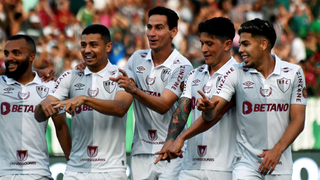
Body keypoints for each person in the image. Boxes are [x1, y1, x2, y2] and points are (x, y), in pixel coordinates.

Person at [174, 18, 307, 179]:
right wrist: (208, 110)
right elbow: (214, 113)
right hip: (245, 164)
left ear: (263, 44)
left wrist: (277, 150)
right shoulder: (235, 72)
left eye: (246, 44)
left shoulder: (293, 72)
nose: (240, 49)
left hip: (280, 164)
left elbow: (298, 120)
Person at [35, 24, 133, 180]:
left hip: (112, 170)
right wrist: (43, 106)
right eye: (83, 45)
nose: (87, 50)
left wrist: (85, 99)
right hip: (76, 171)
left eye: (93, 45)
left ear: (108, 47)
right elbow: (40, 115)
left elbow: (120, 108)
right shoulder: (70, 76)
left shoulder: (122, 74)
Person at [112, 6, 193, 180]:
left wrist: (134, 90)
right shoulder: (136, 58)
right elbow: (121, 101)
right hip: (140, 151)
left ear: (173, 32)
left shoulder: (182, 65)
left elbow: (164, 105)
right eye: (149, 27)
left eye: (159, 28)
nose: (151, 33)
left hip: (172, 151)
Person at [155, 17, 238, 179]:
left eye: (210, 43)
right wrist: (171, 140)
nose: (204, 49)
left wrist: (181, 138)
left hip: (224, 167)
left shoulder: (239, 74)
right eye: (202, 43)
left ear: (228, 44)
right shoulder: (194, 74)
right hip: (190, 165)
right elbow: (182, 110)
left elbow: (215, 115)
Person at [0, 34, 71, 179]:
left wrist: (74, 166)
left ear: (31, 57)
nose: (9, 58)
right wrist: (37, 71)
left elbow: (61, 127)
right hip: (4, 173)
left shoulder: (49, 85)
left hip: (38, 172)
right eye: (7, 54)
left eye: (16, 53)